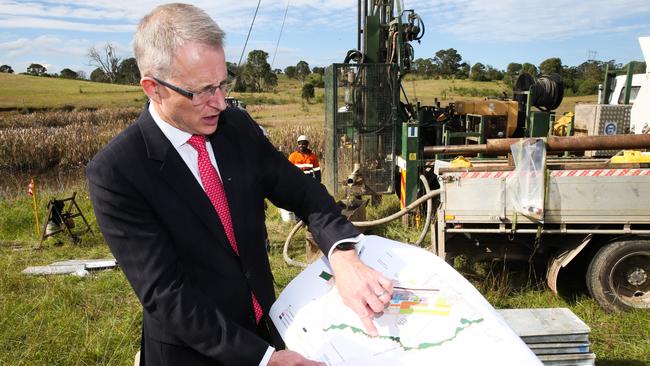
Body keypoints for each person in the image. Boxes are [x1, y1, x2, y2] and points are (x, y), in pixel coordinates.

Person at [86, 3, 392, 366]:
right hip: (192, 354)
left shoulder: (239, 128)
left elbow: (303, 192)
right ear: (154, 89)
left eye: (222, 84)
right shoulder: (117, 172)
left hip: (267, 327)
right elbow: (167, 295)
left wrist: (342, 254)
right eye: (201, 91)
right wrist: (264, 359)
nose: (219, 102)